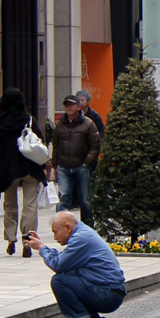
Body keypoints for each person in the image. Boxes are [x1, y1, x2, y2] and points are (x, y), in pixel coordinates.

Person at [27, 211, 127, 318]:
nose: (55, 237)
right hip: (111, 292)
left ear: (68, 227)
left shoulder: (81, 238)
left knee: (59, 280)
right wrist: (42, 246)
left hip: (108, 295)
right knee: (69, 275)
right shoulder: (83, 233)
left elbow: (58, 265)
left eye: (55, 232)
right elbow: (64, 260)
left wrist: (41, 248)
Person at [0, 89, 47, 257]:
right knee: (30, 204)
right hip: (30, 166)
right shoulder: (28, 119)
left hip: (8, 169)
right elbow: (40, 140)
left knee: (9, 204)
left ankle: (10, 239)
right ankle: (28, 239)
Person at [50, 95, 101, 224]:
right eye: (66, 105)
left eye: (71, 105)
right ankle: (62, 226)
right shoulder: (61, 124)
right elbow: (56, 144)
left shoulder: (88, 124)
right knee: (65, 198)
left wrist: (86, 162)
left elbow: (95, 145)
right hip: (64, 166)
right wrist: (55, 164)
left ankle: (88, 226)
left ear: (79, 107)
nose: (69, 107)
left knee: (85, 199)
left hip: (81, 166)